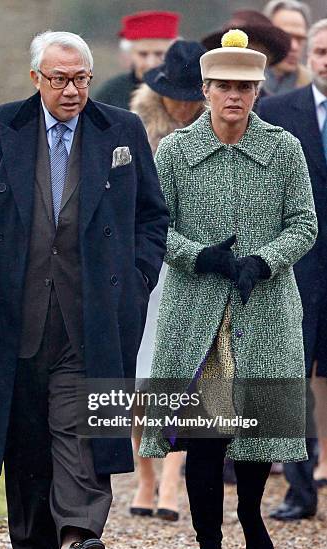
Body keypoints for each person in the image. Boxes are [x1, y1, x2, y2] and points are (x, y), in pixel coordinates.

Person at [0, 30, 168, 549]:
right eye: (60, 79)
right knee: (24, 430)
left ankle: (79, 537)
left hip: (92, 311)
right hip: (14, 310)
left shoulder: (122, 129)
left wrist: (139, 278)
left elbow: (151, 217)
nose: (72, 90)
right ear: (36, 79)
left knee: (80, 422)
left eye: (81, 79)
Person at [139, 29, 317, 549]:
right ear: (206, 89)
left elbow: (306, 223)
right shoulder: (177, 152)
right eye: (223, 87)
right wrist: (199, 256)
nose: (234, 96)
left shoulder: (283, 148)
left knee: (256, 435)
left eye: (245, 87)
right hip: (196, 315)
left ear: (259, 91)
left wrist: (265, 261)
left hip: (263, 309)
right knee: (205, 440)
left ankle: (251, 515)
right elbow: (155, 226)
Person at [130, 40, 206, 520]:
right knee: (140, 373)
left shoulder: (218, 133)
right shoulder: (136, 130)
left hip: (195, 269)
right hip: (147, 265)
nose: (182, 105)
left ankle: (172, 482)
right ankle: (144, 476)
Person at [259, 18, 327, 519]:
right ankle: (298, 489)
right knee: (291, 376)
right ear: (308, 57)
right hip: (298, 263)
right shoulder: (279, 112)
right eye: (321, 52)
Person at [94, 10, 180, 110]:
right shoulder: (110, 92)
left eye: (159, 54)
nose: (151, 63)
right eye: (143, 54)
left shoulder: (186, 91)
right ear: (130, 54)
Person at [262, 0, 311, 95]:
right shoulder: (243, 78)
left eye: (300, 39)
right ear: (266, 35)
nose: (294, 46)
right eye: (285, 36)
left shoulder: (315, 88)